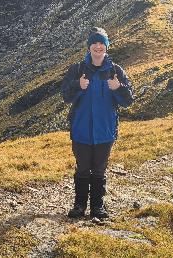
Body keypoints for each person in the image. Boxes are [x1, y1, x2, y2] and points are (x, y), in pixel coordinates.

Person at [60, 27, 134, 220]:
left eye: (102, 43)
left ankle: (97, 208)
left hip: (105, 131)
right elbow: (65, 95)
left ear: (107, 47)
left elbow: (128, 101)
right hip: (81, 129)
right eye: (95, 43)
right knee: (83, 168)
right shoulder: (77, 70)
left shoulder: (116, 71)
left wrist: (119, 88)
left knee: (99, 170)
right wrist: (78, 85)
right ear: (89, 46)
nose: (98, 46)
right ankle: (79, 206)